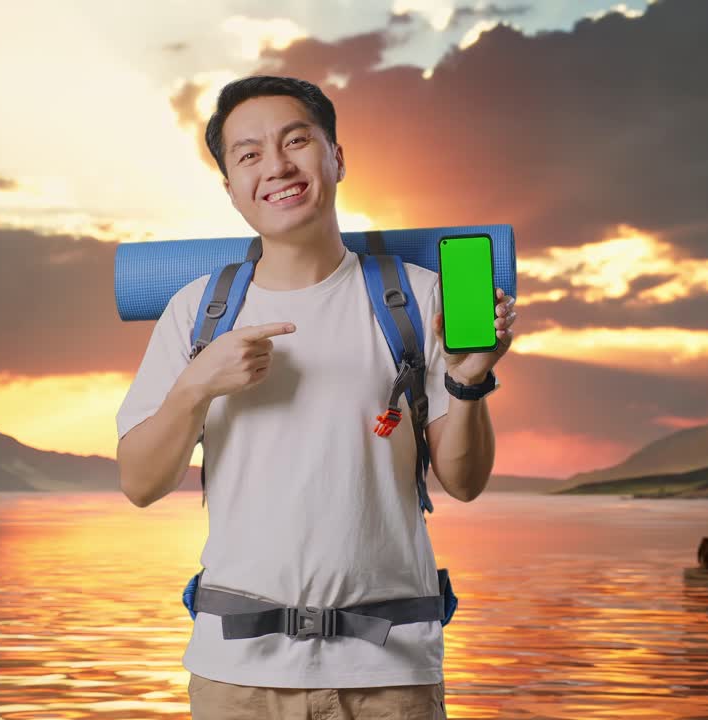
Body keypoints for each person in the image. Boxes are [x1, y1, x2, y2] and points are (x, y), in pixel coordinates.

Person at [115, 75, 517, 720]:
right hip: (237, 677)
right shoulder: (197, 312)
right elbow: (139, 483)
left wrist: (469, 379)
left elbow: (464, 482)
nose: (276, 165)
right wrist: (197, 384)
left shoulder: (418, 297)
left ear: (336, 157)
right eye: (249, 154)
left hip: (391, 675)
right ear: (231, 188)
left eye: (296, 141)